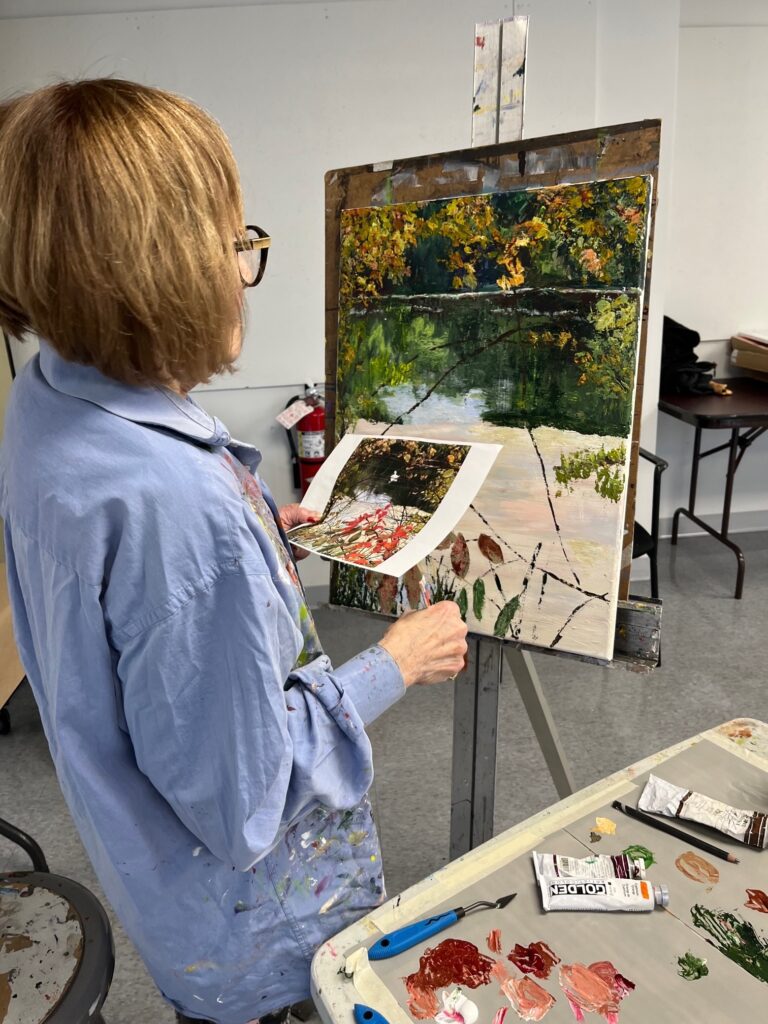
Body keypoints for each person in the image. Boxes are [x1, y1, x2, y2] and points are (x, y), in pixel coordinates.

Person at [0, 80, 468, 1024]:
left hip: (167, 893)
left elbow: (136, 614)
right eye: (234, 239)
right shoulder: (180, 509)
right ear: (161, 267)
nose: (243, 261)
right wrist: (394, 663)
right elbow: (244, 801)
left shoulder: (47, 399)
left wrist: (254, 538)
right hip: (260, 935)